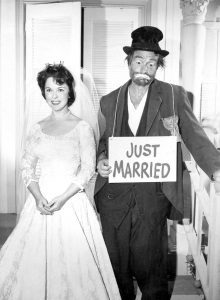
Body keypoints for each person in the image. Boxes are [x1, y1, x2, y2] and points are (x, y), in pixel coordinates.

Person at [94, 26, 220, 300]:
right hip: (114, 196)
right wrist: (101, 160)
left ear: (158, 66)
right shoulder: (108, 101)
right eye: (138, 61)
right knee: (116, 266)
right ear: (128, 62)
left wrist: (216, 169)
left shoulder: (174, 96)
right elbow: (100, 143)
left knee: (152, 265)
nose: (144, 68)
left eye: (152, 63)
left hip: (153, 195)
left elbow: (196, 136)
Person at [0, 63, 121, 300]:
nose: (54, 96)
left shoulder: (82, 128)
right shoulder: (37, 128)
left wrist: (62, 198)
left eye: (60, 89)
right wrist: (37, 197)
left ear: (70, 91)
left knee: (74, 268)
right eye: (48, 90)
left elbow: (87, 169)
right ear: (43, 93)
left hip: (70, 203)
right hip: (40, 205)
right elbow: (27, 167)